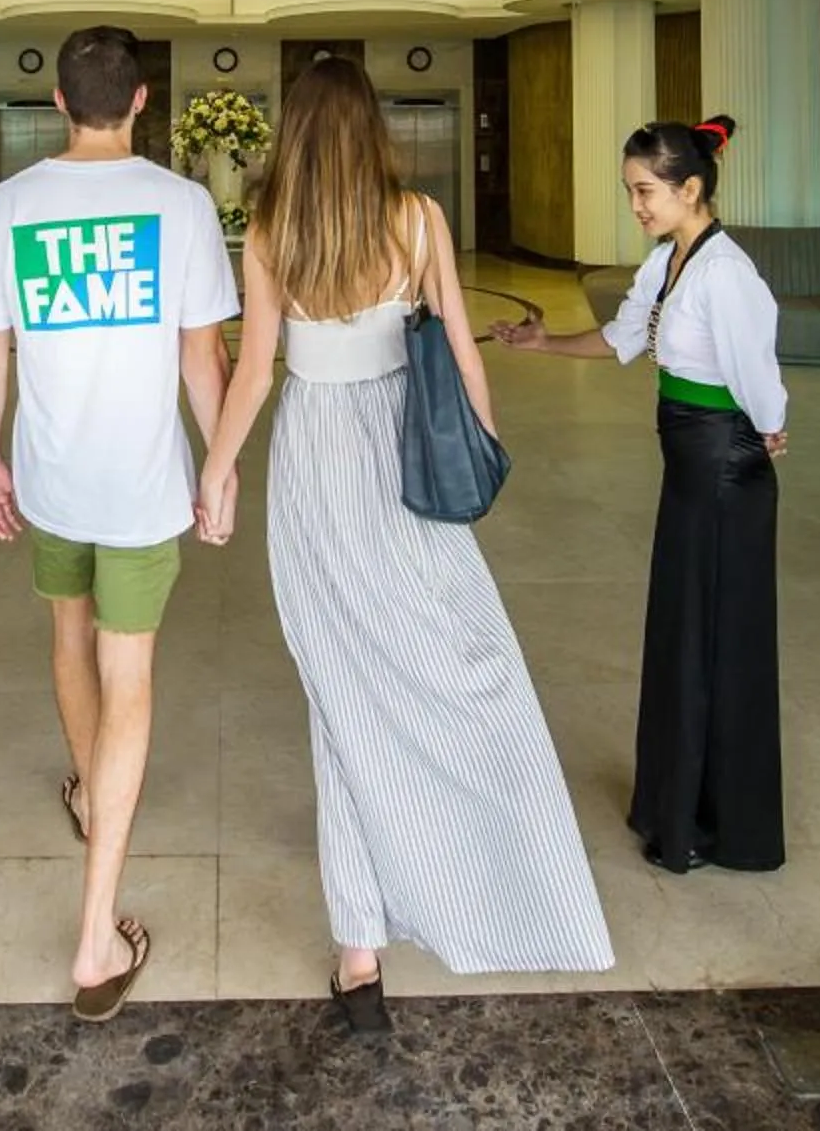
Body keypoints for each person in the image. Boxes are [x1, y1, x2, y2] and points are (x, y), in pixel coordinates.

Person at [197, 56, 608, 1032]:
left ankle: (359, 950)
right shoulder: (417, 216)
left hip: (316, 455)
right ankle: (518, 885)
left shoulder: (269, 230)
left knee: (340, 690)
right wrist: (484, 439)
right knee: (465, 659)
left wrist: (217, 470)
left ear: (293, 134)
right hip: (403, 450)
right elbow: (462, 342)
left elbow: (254, 370)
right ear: (371, 128)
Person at [0, 26, 236, 1022]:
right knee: (131, 670)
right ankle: (95, 937)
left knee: (68, 631)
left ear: (61, 104)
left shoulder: (10, 205)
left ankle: (88, 789)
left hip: (53, 477)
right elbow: (202, 358)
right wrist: (221, 460)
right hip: (142, 484)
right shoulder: (182, 204)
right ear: (143, 98)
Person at [495, 117, 791, 874]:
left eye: (646, 191)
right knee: (684, 629)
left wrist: (771, 427)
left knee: (716, 633)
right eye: (632, 192)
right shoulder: (669, 261)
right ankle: (679, 803)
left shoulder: (726, 273)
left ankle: (721, 820)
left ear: (691, 189)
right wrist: (545, 343)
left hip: (725, 466)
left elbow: (755, 368)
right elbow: (627, 340)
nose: (637, 206)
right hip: (692, 468)